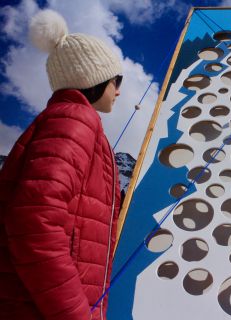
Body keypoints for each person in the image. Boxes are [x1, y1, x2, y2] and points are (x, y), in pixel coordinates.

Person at [0, 9, 122, 319]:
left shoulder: (69, 120)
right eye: (115, 79)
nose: (119, 89)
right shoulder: (74, 119)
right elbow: (35, 222)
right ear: (94, 79)